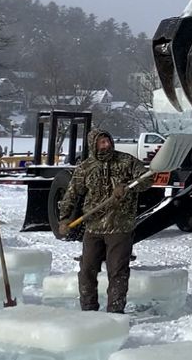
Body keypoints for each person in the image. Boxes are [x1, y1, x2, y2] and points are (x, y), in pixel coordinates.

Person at [57, 129, 152, 313]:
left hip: (120, 226)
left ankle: (114, 313)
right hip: (93, 227)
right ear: (93, 144)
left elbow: (147, 179)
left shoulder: (127, 161)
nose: (106, 145)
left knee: (117, 272)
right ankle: (89, 310)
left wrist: (128, 188)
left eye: (108, 141)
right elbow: (71, 194)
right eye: (102, 142)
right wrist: (64, 219)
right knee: (86, 271)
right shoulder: (85, 168)